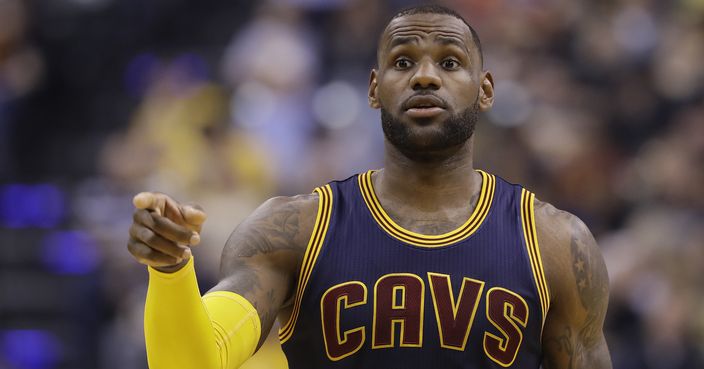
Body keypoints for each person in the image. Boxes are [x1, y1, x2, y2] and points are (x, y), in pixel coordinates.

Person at [127, 5, 612, 369]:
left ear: (484, 89)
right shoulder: (294, 229)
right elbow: (194, 362)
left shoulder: (554, 242)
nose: (424, 76)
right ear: (374, 88)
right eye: (403, 62)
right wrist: (170, 271)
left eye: (449, 62)